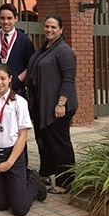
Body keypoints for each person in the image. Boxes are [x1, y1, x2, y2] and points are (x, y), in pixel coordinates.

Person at [0, 64, 47, 216]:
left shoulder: (19, 102)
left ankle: (33, 181)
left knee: (19, 209)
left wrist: (9, 162)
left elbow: (23, 135)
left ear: (10, 79)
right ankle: (9, 186)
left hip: (13, 155)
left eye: (3, 78)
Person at [26, 14, 78, 194]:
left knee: (60, 144)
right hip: (43, 105)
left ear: (61, 30)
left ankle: (66, 182)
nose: (49, 30)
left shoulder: (64, 51)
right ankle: (46, 173)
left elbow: (69, 79)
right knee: (45, 142)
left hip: (58, 106)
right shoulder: (45, 48)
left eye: (53, 27)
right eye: (47, 26)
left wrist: (61, 103)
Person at [0, 3, 35, 98]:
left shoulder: (24, 40)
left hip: (16, 90)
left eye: (9, 18)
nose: (5, 22)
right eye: (2, 18)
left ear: (16, 19)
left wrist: (18, 79)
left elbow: (31, 64)